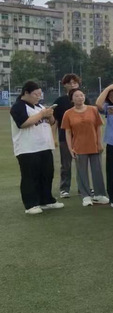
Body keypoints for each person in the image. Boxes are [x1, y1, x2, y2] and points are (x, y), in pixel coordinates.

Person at [11, 81, 64, 214]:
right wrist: (42, 114)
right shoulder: (19, 106)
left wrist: (50, 114)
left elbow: (52, 122)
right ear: (26, 93)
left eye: (40, 94)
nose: (38, 97)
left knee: (46, 174)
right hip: (28, 148)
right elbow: (23, 123)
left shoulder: (39, 106)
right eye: (36, 94)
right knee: (30, 176)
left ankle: (46, 200)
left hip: (44, 147)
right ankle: (31, 204)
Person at [61, 88, 108, 207]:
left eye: (81, 95)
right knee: (81, 172)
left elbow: (98, 127)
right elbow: (67, 132)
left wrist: (99, 143)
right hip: (78, 146)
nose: (80, 98)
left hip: (94, 145)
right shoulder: (68, 113)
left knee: (97, 170)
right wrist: (70, 148)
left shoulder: (93, 110)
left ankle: (99, 194)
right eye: (76, 96)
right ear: (72, 99)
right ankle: (86, 196)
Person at [52, 73, 81, 198]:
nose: (72, 85)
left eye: (75, 82)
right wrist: (53, 137)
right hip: (65, 137)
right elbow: (54, 121)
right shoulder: (60, 101)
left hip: (82, 138)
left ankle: (83, 187)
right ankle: (64, 189)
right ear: (64, 85)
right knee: (66, 164)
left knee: (82, 164)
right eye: (69, 83)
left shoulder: (83, 99)